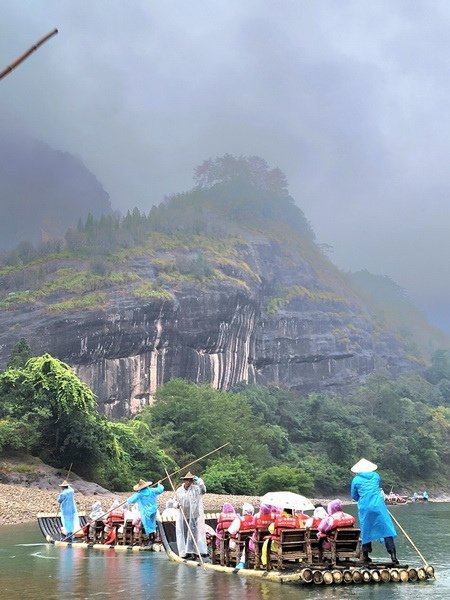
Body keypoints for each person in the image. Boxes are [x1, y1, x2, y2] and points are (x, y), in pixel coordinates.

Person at [350, 458, 399, 564]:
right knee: (386, 528)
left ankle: (366, 555)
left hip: (365, 506)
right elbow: (375, 488)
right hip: (378, 505)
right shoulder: (376, 476)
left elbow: (354, 495)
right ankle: (393, 556)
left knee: (366, 528)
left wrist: (363, 500)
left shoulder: (356, 480)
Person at [175, 471, 207, 559]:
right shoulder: (179, 490)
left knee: (193, 533)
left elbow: (203, 491)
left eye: (190, 480)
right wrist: (176, 505)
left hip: (194, 515)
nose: (189, 482)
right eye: (187, 480)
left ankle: (193, 551)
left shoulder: (196, 489)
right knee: (185, 533)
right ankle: (186, 551)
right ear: (184, 481)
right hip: (183, 515)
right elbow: (174, 501)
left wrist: (200, 481)